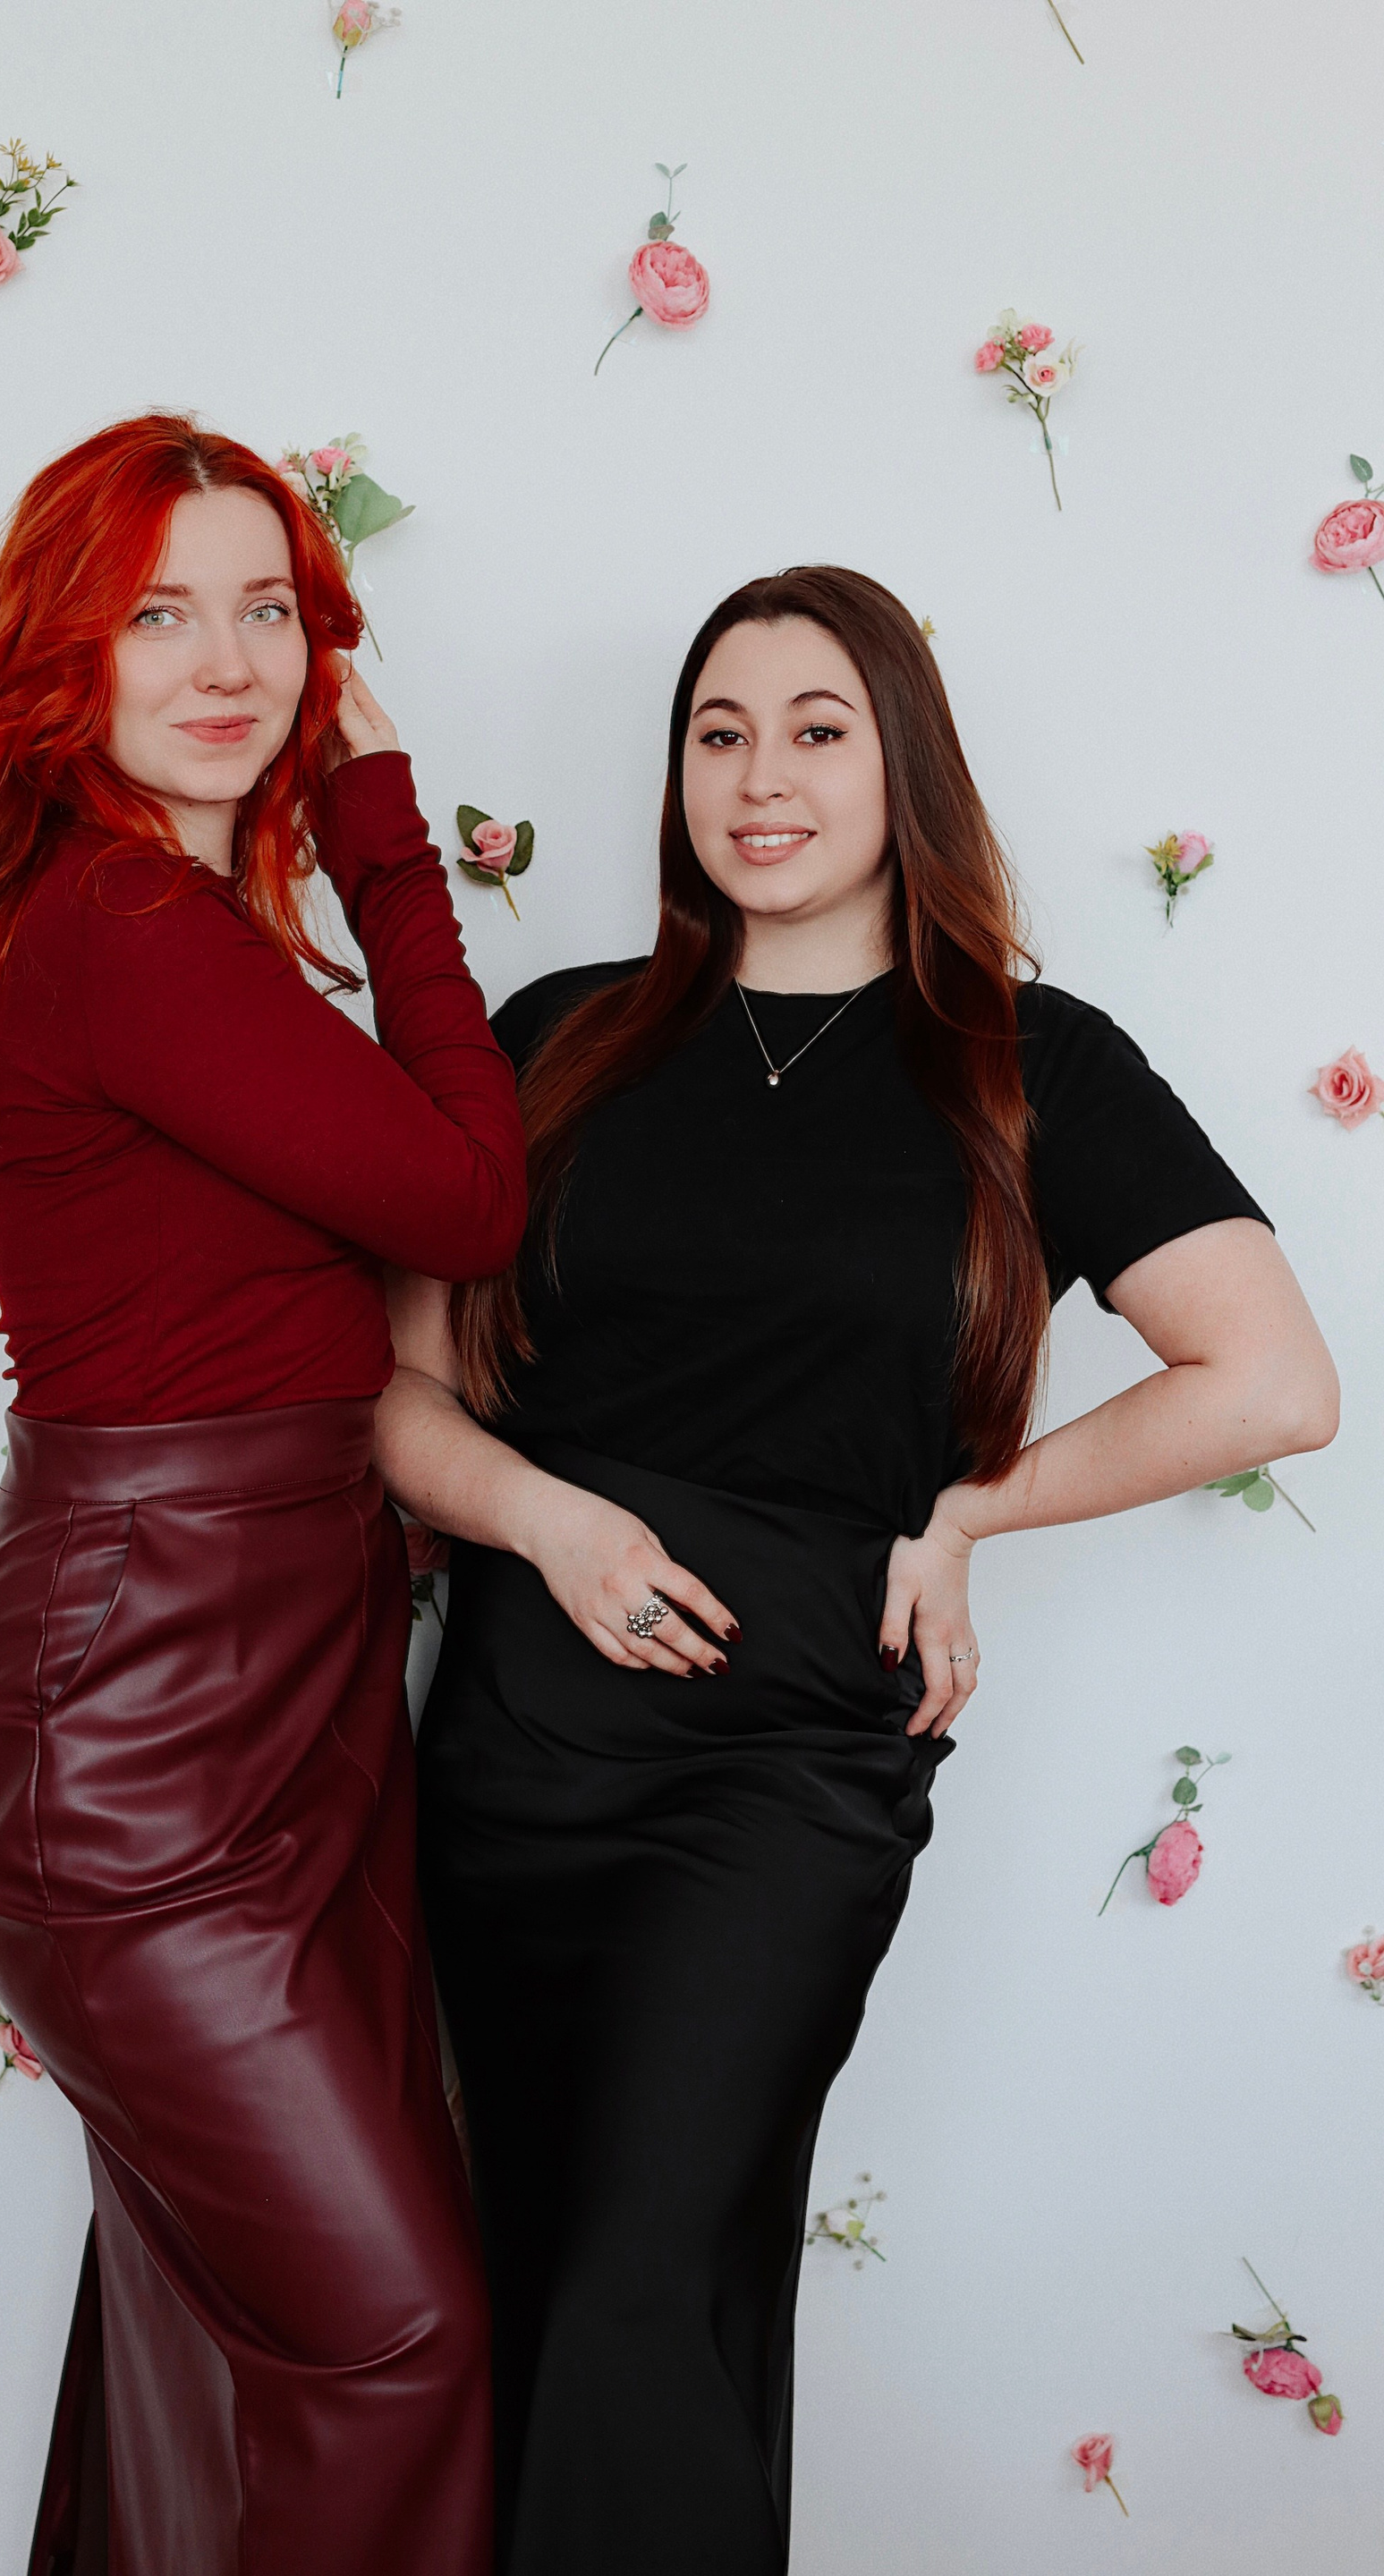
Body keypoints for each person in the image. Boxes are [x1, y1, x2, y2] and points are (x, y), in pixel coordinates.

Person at [373, 565, 1338, 2576]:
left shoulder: (1032, 1062)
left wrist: (978, 1509)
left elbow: (1271, 1380)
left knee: (638, 2279)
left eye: (818, 730)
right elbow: (398, 1401)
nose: (762, 778)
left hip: (792, 1765)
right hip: (515, 1750)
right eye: (718, 733)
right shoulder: (559, 1038)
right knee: (557, 2277)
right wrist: (549, 1518)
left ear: (907, 763)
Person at [0, 413, 525, 2575]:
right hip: (132, 1733)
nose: (228, 663)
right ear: (70, 654)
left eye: (267, 609)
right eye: (160, 614)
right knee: (393, 2337)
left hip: (284, 1695)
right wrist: (383, 832)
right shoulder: (125, 922)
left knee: (222, 2339)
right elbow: (466, 1197)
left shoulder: (173, 925)